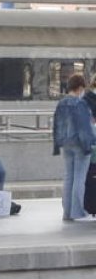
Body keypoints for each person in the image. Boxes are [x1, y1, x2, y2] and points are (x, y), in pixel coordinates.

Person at [52, 74, 95, 222]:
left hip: (66, 144)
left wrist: (57, 144)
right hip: (80, 145)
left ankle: (67, 212)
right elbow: (85, 128)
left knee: (69, 178)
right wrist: (90, 144)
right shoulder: (80, 104)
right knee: (79, 179)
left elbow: (56, 125)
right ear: (80, 88)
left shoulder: (61, 103)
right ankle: (78, 212)